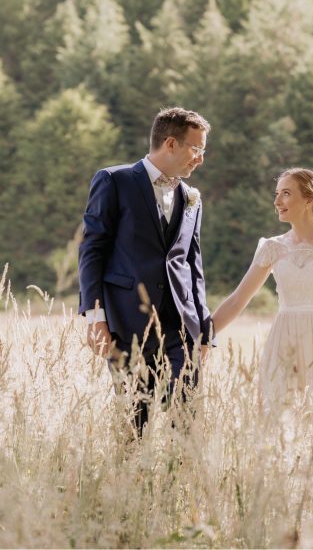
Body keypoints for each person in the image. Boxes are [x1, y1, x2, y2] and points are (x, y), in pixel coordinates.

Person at [78, 107, 213, 436]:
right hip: (128, 324)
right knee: (135, 424)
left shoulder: (190, 197)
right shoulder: (115, 180)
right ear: (171, 144)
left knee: (187, 422)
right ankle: (134, 484)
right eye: (197, 149)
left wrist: (205, 328)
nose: (200, 159)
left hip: (181, 330)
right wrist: (96, 318)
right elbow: (92, 249)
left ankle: (182, 485)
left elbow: (192, 264)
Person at [211, 168, 313, 414]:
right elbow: (238, 299)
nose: (277, 201)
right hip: (284, 342)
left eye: (286, 193)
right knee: (281, 424)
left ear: (310, 199)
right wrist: (204, 334)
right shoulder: (272, 248)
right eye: (277, 193)